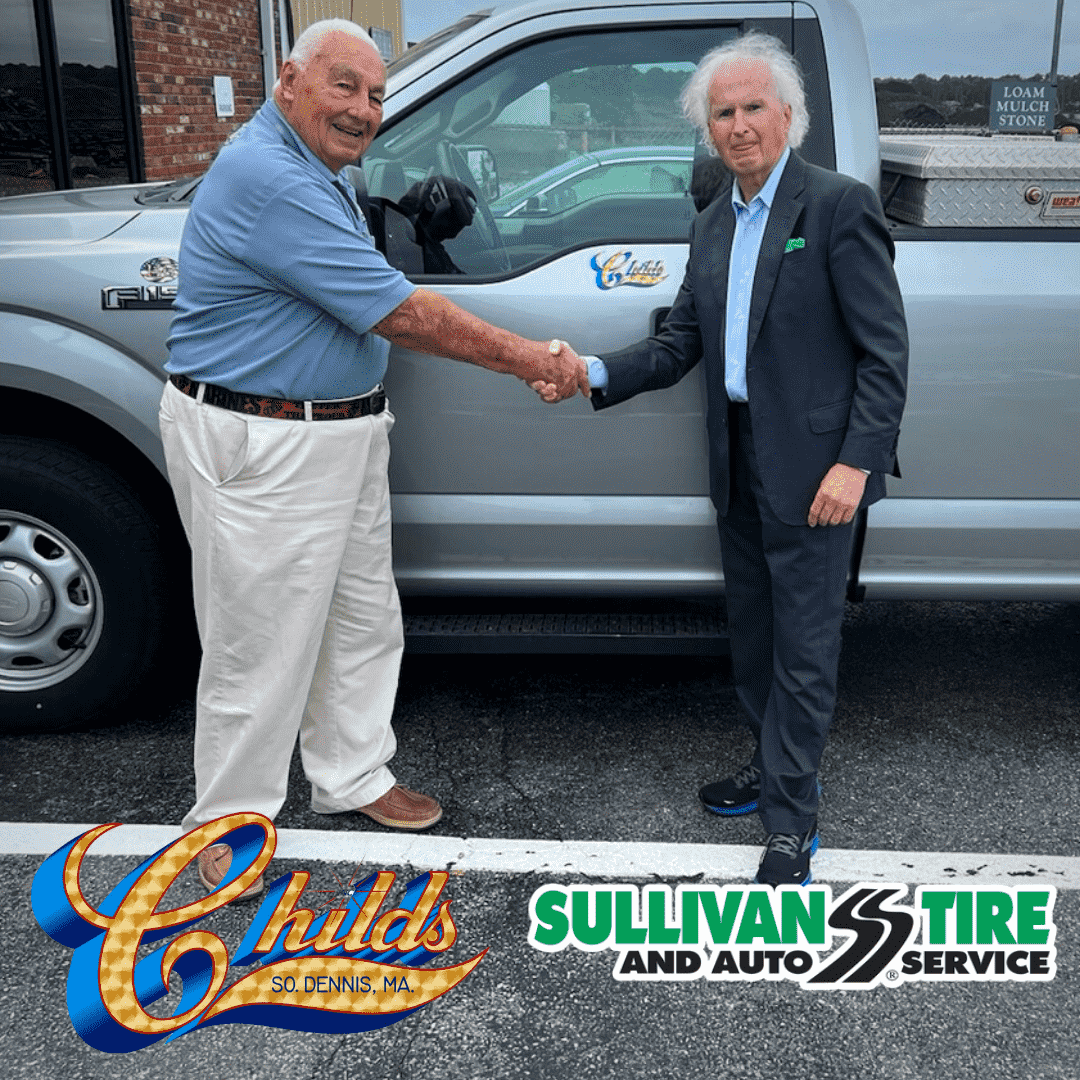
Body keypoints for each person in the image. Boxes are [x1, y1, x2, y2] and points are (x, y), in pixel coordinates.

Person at [160, 19, 588, 899]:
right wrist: (533, 361)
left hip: (338, 432)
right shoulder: (270, 179)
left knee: (360, 619)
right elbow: (405, 314)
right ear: (289, 81)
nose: (363, 109)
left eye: (377, 93)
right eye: (344, 86)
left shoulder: (317, 172)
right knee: (260, 644)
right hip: (268, 440)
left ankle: (351, 775)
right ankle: (229, 822)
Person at [538, 32, 907, 886]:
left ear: (789, 116)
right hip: (738, 460)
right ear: (709, 130)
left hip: (818, 471)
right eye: (722, 113)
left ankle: (791, 820)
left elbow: (885, 355)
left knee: (804, 648)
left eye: (753, 108)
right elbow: (677, 346)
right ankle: (768, 761)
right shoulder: (711, 223)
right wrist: (589, 370)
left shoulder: (838, 208)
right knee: (753, 636)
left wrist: (856, 464)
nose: (739, 126)